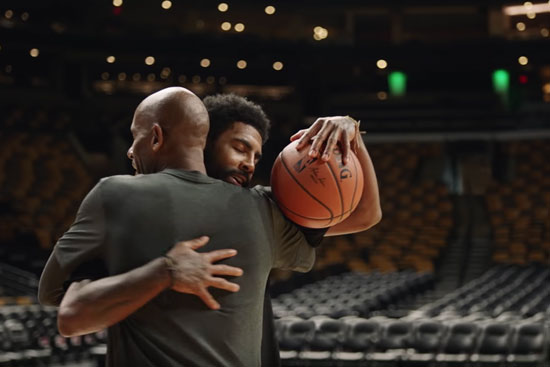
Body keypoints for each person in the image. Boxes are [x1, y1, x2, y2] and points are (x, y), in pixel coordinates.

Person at [38, 87, 318, 366]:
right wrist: (348, 132)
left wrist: (152, 272)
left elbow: (55, 296)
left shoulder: (115, 194)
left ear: (156, 137)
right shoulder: (261, 208)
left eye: (136, 137)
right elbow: (360, 218)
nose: (131, 149)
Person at [201, 94, 381, 366]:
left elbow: (366, 214)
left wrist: (351, 133)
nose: (249, 164)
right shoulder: (146, 202)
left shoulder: (260, 211)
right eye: (240, 148)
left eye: (256, 156)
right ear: (202, 142)